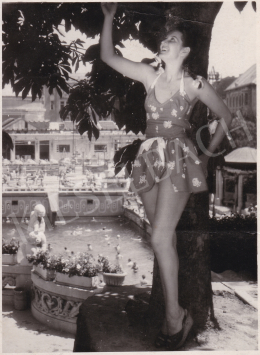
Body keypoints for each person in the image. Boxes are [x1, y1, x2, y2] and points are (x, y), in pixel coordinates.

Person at [101, 2, 232, 350]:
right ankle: (177, 314)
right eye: (164, 39)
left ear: (184, 50)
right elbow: (109, 59)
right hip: (148, 158)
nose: (164, 42)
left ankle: (175, 317)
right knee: (164, 239)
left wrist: (204, 156)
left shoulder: (194, 84)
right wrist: (109, 18)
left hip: (177, 159)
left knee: (159, 240)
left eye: (171, 39)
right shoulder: (149, 76)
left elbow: (226, 117)